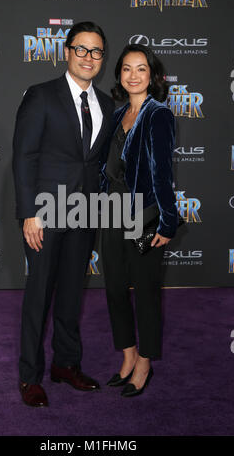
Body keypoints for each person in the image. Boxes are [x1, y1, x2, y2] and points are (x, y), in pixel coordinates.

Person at [12, 22, 114, 407]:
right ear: (67, 52)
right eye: (82, 49)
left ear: (102, 59)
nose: (89, 58)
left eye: (97, 51)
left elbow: (97, 162)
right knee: (39, 294)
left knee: (72, 294)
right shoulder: (41, 96)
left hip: (85, 213)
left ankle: (66, 364)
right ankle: (29, 376)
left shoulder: (106, 103)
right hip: (45, 213)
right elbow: (24, 156)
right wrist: (29, 213)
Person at [100, 44, 178, 397]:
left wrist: (167, 221)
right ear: (119, 75)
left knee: (145, 292)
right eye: (127, 69)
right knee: (114, 288)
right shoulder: (117, 116)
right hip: (111, 213)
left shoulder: (158, 114)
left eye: (141, 69)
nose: (133, 75)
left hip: (144, 216)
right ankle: (128, 355)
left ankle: (145, 362)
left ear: (152, 75)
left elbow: (162, 172)